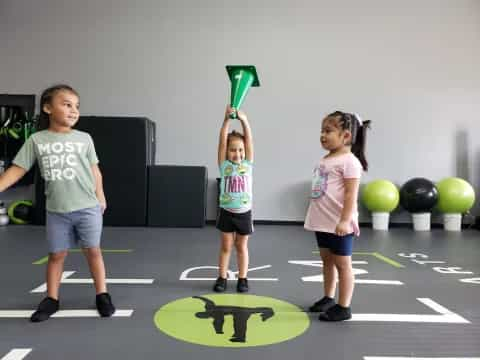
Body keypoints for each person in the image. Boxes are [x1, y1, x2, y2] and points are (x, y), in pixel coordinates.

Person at [0, 84, 115, 322]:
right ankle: (51, 298)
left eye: (76, 106)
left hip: (87, 207)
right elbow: (17, 169)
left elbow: (95, 171)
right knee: (56, 255)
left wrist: (100, 195)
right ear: (47, 108)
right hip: (57, 211)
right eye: (66, 104)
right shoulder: (37, 140)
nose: (73, 110)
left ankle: (102, 295)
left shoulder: (84, 139)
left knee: (93, 251)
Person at [305, 110, 370, 321]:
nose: (323, 135)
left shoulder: (350, 162)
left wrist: (344, 220)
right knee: (326, 260)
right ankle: (328, 297)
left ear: (346, 136)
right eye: (322, 131)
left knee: (343, 264)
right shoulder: (326, 158)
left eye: (328, 131)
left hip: (339, 223)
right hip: (322, 221)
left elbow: (351, 194)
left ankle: (344, 307)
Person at [213, 105, 254, 293]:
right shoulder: (224, 165)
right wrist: (227, 120)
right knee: (226, 246)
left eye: (240, 150)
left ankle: (242, 278)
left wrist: (244, 120)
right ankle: (222, 277)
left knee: (241, 246)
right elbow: (222, 141)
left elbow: (250, 141)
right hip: (226, 212)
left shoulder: (247, 164)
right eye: (232, 150)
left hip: (244, 213)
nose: (237, 154)